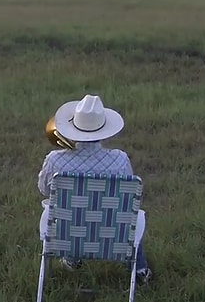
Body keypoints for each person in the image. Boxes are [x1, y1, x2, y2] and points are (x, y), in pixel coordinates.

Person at [37, 94, 153, 284]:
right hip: (111, 233)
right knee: (132, 217)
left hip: (68, 231)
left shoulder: (54, 160)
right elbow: (128, 199)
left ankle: (72, 258)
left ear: (73, 127)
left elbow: (43, 189)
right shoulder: (120, 159)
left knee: (69, 212)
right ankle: (140, 270)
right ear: (103, 128)